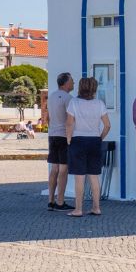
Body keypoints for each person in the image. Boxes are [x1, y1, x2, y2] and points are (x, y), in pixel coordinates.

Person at [65, 76, 110, 217]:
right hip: (94, 141)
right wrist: (100, 138)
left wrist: (68, 139)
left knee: (79, 177)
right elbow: (107, 125)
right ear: (94, 89)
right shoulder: (100, 104)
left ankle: (78, 209)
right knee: (94, 176)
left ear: (80, 87)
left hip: (78, 140)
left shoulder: (74, 102)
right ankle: (96, 207)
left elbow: (69, 123)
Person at [46, 72, 75, 211]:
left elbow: (47, 117)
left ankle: (50, 200)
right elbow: (71, 119)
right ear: (66, 83)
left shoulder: (51, 96)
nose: (74, 83)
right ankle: (60, 201)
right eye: (72, 81)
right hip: (64, 136)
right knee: (63, 169)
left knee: (54, 168)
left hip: (52, 135)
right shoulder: (69, 98)